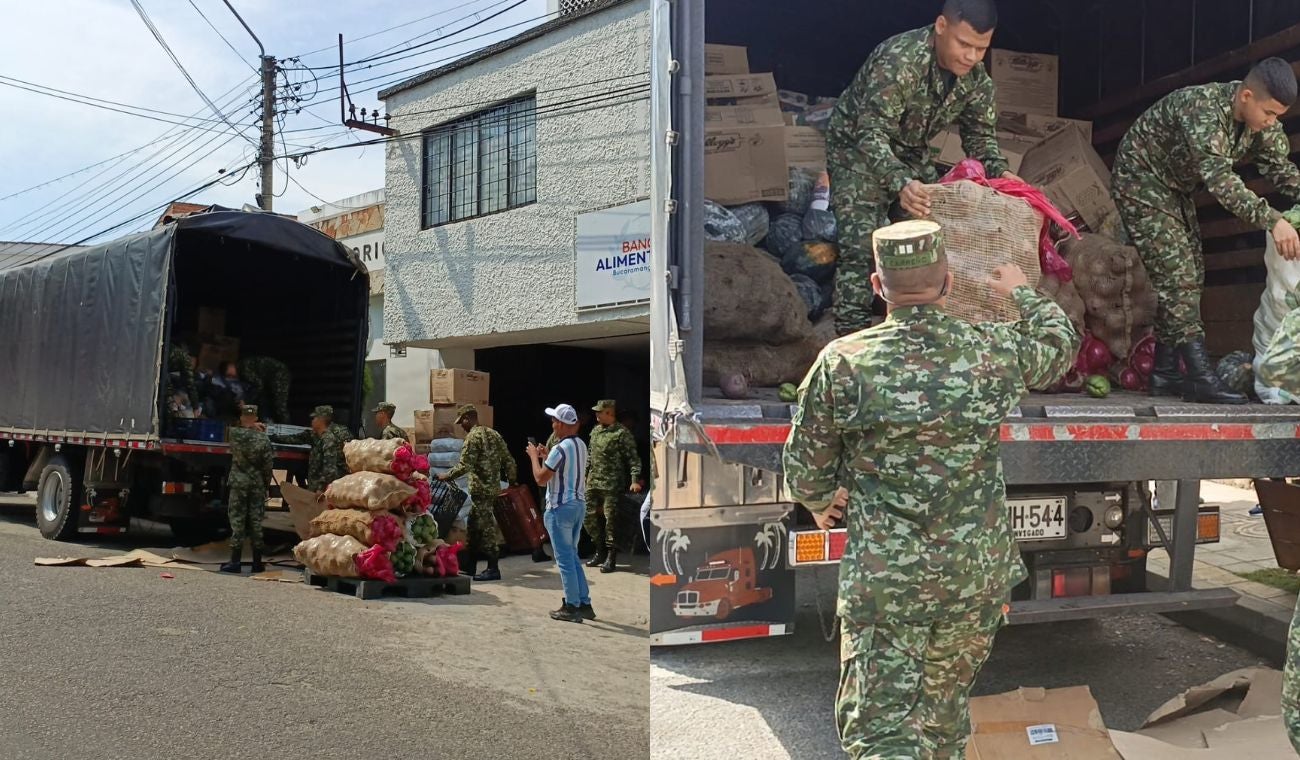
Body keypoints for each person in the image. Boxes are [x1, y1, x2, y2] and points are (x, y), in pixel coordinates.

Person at [783, 220, 1077, 758]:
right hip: (972, 578)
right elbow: (1059, 345)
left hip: (887, 583)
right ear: (948, 282)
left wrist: (822, 500)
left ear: (877, 286)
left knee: (881, 733)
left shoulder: (844, 361)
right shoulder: (989, 351)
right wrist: (1022, 293)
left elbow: (805, 467)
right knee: (942, 720)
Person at [1112, 57, 1300, 404]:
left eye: (1278, 116)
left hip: (1175, 189)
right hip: (1140, 179)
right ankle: (1200, 377)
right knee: (1178, 277)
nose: (1272, 122)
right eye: (1269, 113)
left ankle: (1165, 372)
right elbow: (1222, 183)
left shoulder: (1261, 123)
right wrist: (1274, 220)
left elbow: (1280, 169)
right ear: (1246, 96)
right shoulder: (1203, 109)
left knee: (1191, 275)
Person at [827, 0, 1011, 337]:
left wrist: (1003, 175)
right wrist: (901, 182)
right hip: (856, 151)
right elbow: (870, 132)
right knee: (860, 247)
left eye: (981, 48)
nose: (971, 56)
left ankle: (916, 337)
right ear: (941, 27)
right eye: (964, 44)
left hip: (911, 152)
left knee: (929, 241)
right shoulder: (899, 60)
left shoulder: (976, 80)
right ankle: (851, 343)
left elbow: (981, 139)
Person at [527, 403, 594, 624]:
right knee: (572, 556)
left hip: (560, 508)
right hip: (578, 505)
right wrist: (547, 456)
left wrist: (533, 457)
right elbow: (565, 469)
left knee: (564, 559)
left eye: (555, 420)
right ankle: (584, 603)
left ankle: (572, 606)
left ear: (564, 424)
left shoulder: (560, 448)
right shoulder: (580, 445)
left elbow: (540, 479)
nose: (553, 424)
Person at [437, 404, 516, 582]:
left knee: (486, 528)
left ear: (468, 418)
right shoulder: (494, 434)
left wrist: (447, 475)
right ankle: (469, 565)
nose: (462, 427)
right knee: (473, 526)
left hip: (481, 490)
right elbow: (508, 460)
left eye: (462, 422)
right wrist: (512, 480)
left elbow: (465, 465)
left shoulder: (473, 437)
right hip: (491, 489)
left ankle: (493, 568)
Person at [584, 400, 644, 573]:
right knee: (588, 517)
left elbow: (633, 459)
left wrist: (634, 479)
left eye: (600, 412)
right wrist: (585, 475)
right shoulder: (596, 431)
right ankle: (599, 550)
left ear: (609, 413)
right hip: (593, 482)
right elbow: (590, 456)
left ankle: (611, 556)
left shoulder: (621, 433)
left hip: (612, 484)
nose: (596, 414)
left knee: (611, 520)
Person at [220, 404, 273, 575]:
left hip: (239, 483)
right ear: (256, 418)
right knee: (256, 521)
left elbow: (229, 430)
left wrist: (247, 426)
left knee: (237, 520)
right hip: (256, 484)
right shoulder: (264, 439)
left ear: (242, 418)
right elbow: (268, 467)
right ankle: (257, 562)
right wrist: (265, 485)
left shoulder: (235, 434)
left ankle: (235, 561)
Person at [268, 405, 352, 493]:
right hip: (318, 482)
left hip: (329, 485)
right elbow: (295, 439)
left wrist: (321, 488)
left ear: (321, 419)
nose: (311, 421)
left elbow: (330, 468)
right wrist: (271, 437)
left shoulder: (330, 438)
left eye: (314, 418)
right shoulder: (315, 434)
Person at [239, 355, 292, 424]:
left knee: (280, 406)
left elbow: (259, 385)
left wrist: (247, 402)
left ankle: (287, 426)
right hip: (268, 380)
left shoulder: (244, 369)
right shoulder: (243, 369)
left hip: (280, 374)